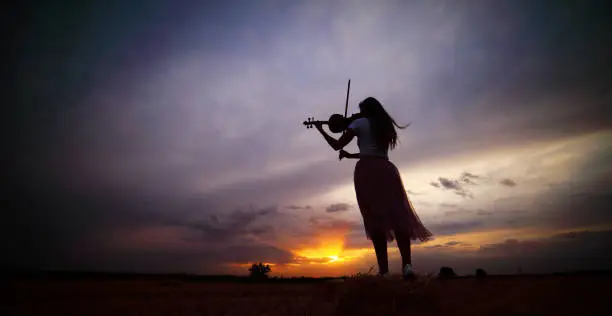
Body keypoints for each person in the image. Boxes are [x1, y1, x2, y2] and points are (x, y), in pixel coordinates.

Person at [312, 96, 433, 280]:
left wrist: (321, 130)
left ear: (366, 110)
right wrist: (350, 155)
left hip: (367, 172)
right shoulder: (384, 126)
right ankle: (407, 265)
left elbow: (337, 144)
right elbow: (372, 150)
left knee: (375, 220)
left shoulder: (359, 123)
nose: (358, 114)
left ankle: (384, 272)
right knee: (398, 215)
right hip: (387, 169)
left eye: (361, 110)